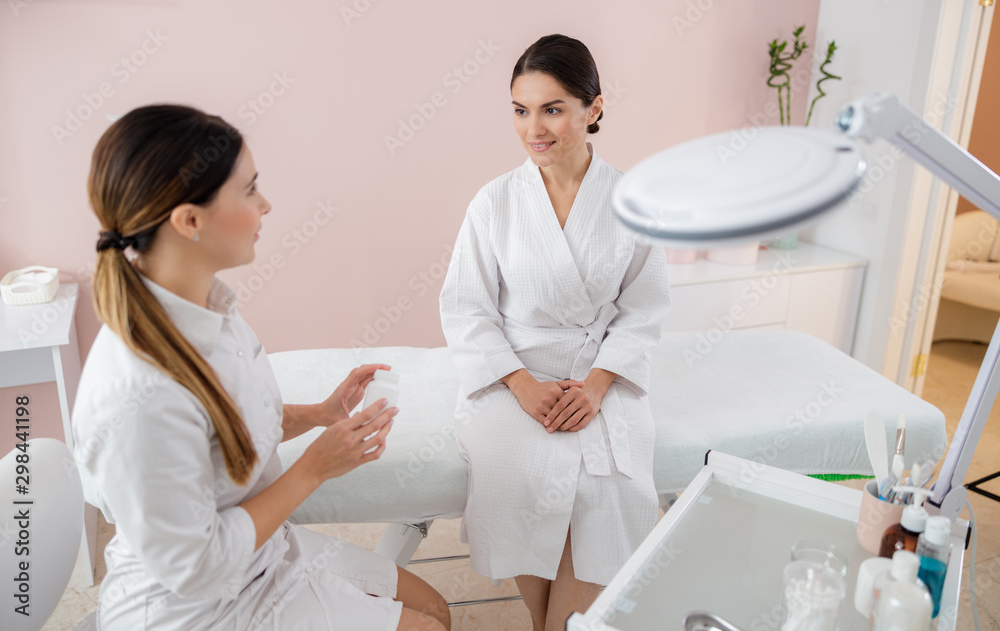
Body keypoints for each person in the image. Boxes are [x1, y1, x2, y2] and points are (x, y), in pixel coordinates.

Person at [72, 105, 450, 631]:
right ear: (189, 220)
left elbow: (231, 430)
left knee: (435, 609)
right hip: (197, 609)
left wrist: (321, 413)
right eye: (249, 190)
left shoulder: (213, 311)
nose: (266, 204)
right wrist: (315, 467)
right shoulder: (139, 393)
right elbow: (196, 568)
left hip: (263, 556)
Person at [439, 34, 671, 631]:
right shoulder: (494, 203)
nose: (533, 129)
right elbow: (467, 308)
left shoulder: (631, 201)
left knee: (607, 487)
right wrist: (520, 384)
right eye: (520, 110)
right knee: (518, 471)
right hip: (512, 372)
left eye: (552, 109)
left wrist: (595, 387)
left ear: (593, 109)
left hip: (602, 372)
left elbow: (644, 308)